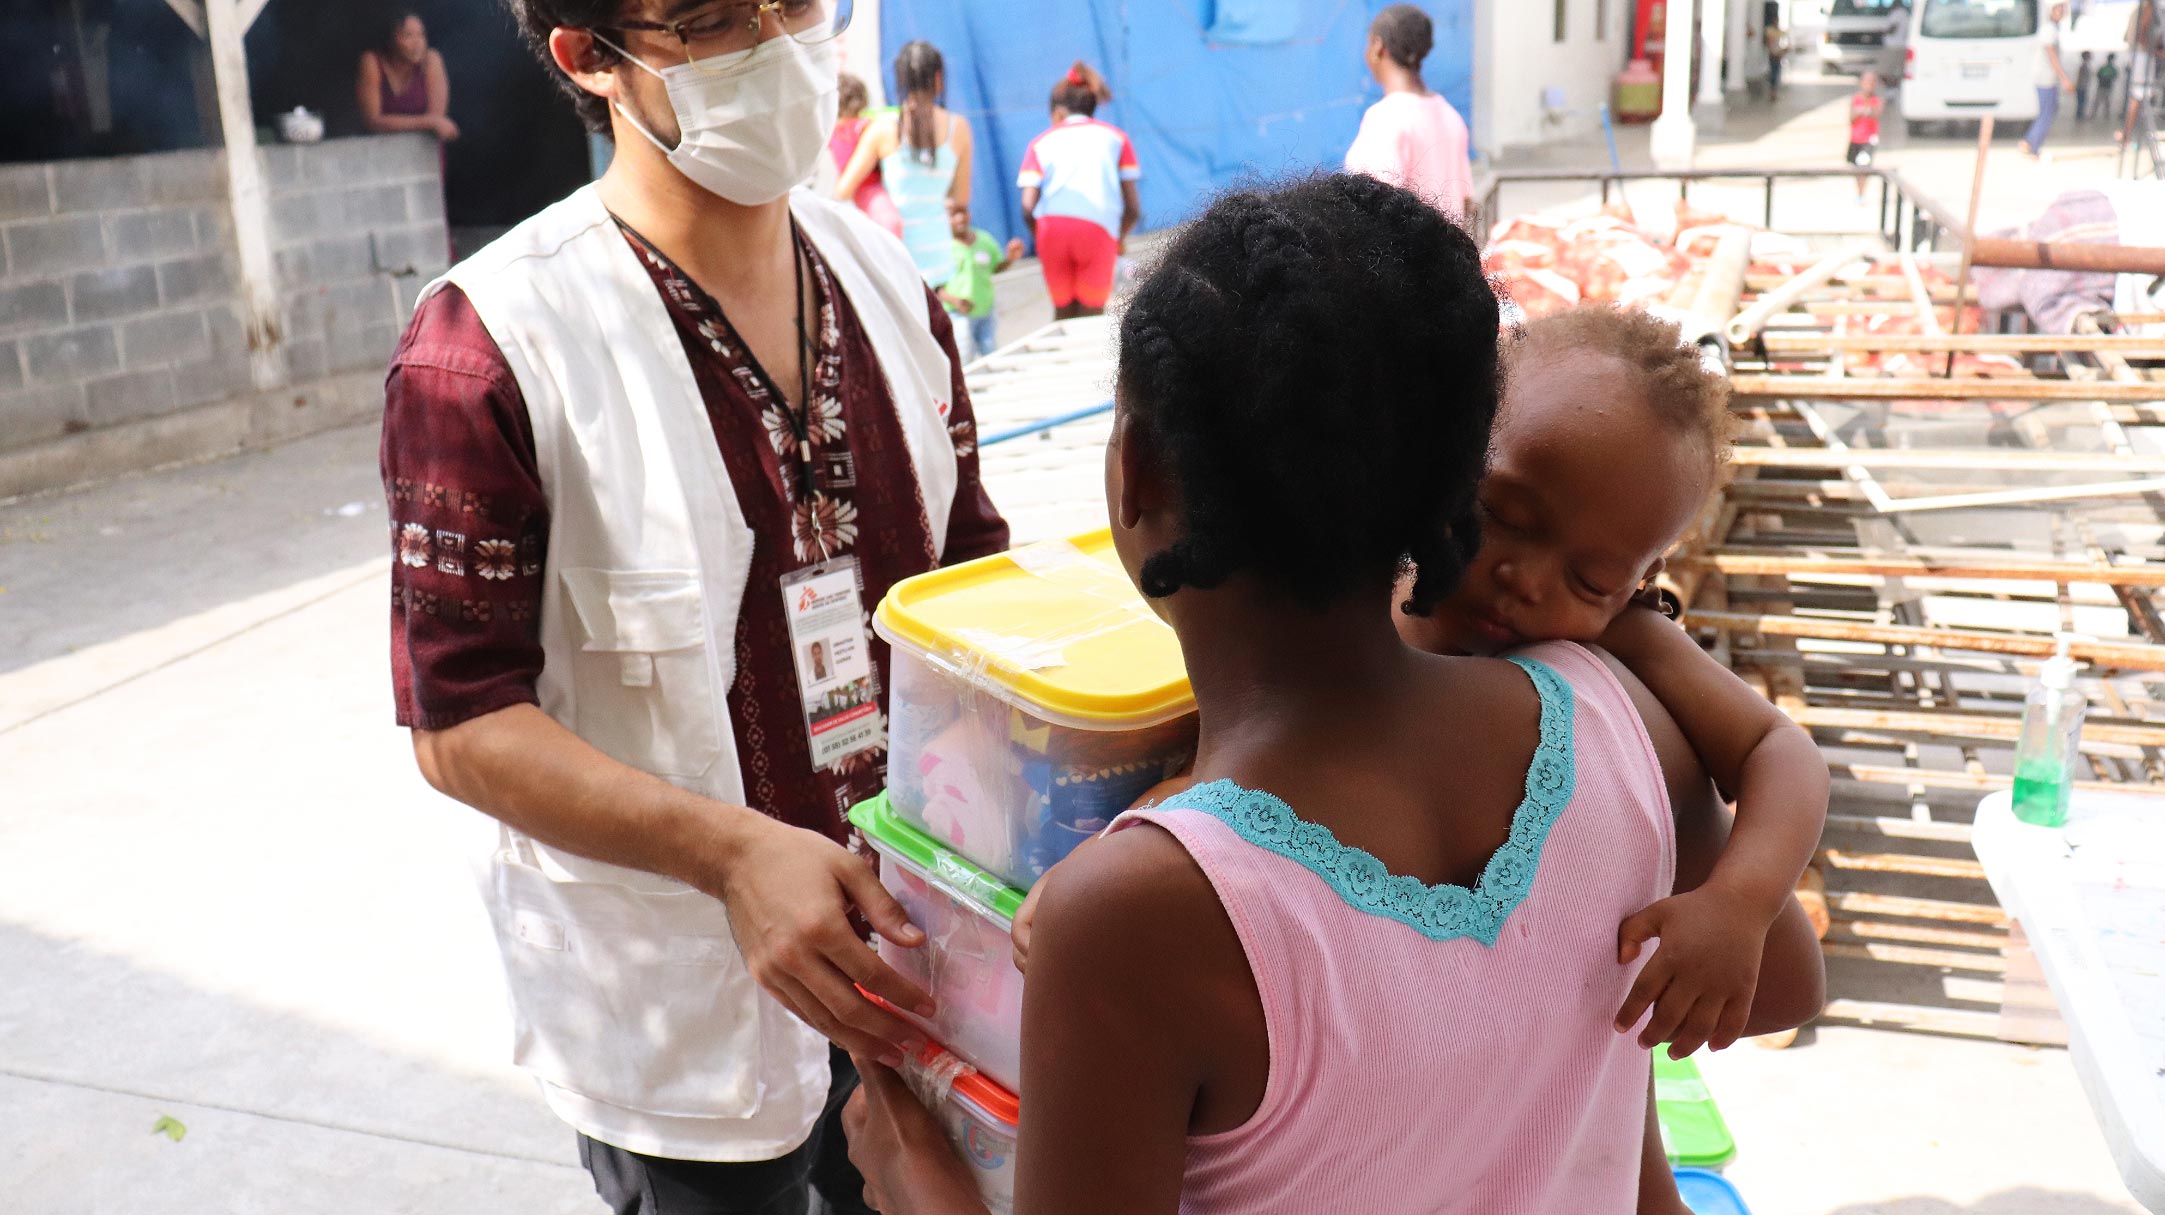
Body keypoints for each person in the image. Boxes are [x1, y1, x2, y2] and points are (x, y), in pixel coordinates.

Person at [841, 174, 1824, 1215]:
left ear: (1135, 470)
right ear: (1458, 478)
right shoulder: (1623, 718)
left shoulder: (1134, 916)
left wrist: (918, 1190)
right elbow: (1779, 982)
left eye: (1589, 580)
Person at [380, 1, 1010, 1210]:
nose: (780, 48)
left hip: (925, 961)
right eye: (718, 19)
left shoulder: (889, 283)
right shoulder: (489, 346)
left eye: (798, 4)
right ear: (589, 57)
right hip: (683, 1016)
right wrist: (726, 856)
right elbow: (459, 723)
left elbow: (972, 580)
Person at [1395, 306, 1831, 1064]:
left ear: (1638, 582)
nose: (1524, 580)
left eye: (1587, 577)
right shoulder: (1359, 593)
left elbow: (1777, 746)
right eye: (1501, 514)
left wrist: (1738, 902)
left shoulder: (1624, 640)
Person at [834, 41, 972, 288]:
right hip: (939, 254)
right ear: (938, 79)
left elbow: (843, 190)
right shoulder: (958, 128)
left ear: (901, 80)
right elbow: (961, 197)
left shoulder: (883, 129)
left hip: (896, 259)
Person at [1018, 62, 1141, 320]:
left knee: (1062, 311)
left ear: (1059, 113)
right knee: (1091, 315)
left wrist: (1042, 240)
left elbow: (1028, 209)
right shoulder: (1117, 139)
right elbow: (1133, 209)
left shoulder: (1040, 143)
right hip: (1098, 230)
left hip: (1052, 230)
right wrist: (1115, 239)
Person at [1344, 4, 1476, 222]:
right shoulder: (1450, 116)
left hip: (1407, 255)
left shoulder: (1385, 119)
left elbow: (1371, 209)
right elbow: (1466, 201)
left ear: (1378, 47)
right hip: (1448, 253)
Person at [936, 200, 1023, 362]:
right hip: (958, 313)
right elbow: (935, 286)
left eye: (963, 212)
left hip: (985, 308)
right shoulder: (942, 247)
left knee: (990, 350)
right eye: (954, 214)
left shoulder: (984, 240)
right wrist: (955, 301)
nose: (960, 218)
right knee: (964, 354)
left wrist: (1010, 258)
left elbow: (995, 267)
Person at [357, 10, 458, 144]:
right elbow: (372, 121)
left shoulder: (431, 60)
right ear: (390, 39)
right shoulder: (372, 61)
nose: (417, 43)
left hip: (424, 150)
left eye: (421, 35)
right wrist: (429, 122)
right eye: (408, 36)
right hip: (381, 150)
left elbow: (436, 118)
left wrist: (432, 121)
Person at [829, 72, 902, 238]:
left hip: (863, 195)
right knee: (888, 224)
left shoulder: (835, 132)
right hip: (872, 190)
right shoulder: (864, 126)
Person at [2022, 0, 2075, 157]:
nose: (2062, 11)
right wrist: (2064, 78)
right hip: (2045, 78)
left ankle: (2030, 142)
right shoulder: (2049, 30)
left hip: (2046, 77)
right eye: (2059, 8)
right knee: (2048, 112)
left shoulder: (2051, 29)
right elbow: (2051, 55)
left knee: (2048, 111)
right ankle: (2032, 146)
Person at [1846, 71, 1884, 199]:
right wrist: (1862, 111)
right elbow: (1851, 117)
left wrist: (1863, 110)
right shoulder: (1856, 98)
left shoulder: (1877, 100)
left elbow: (1877, 114)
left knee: (1864, 166)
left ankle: (1861, 193)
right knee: (1855, 167)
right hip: (1855, 138)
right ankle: (1859, 189)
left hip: (1869, 139)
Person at [1764, 18, 1789, 99]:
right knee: (1773, 73)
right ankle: (1772, 90)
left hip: (1778, 55)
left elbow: (1785, 43)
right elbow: (1768, 42)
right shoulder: (1770, 31)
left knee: (1776, 72)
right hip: (1772, 54)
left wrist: (1782, 51)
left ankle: (1774, 91)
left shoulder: (1779, 32)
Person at [2077, 49, 2096, 119]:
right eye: (2089, 55)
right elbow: (2081, 78)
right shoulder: (2084, 66)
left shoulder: (2086, 65)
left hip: (2082, 87)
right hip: (2082, 87)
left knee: (2082, 102)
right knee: (2081, 102)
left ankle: (2080, 115)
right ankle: (2080, 116)